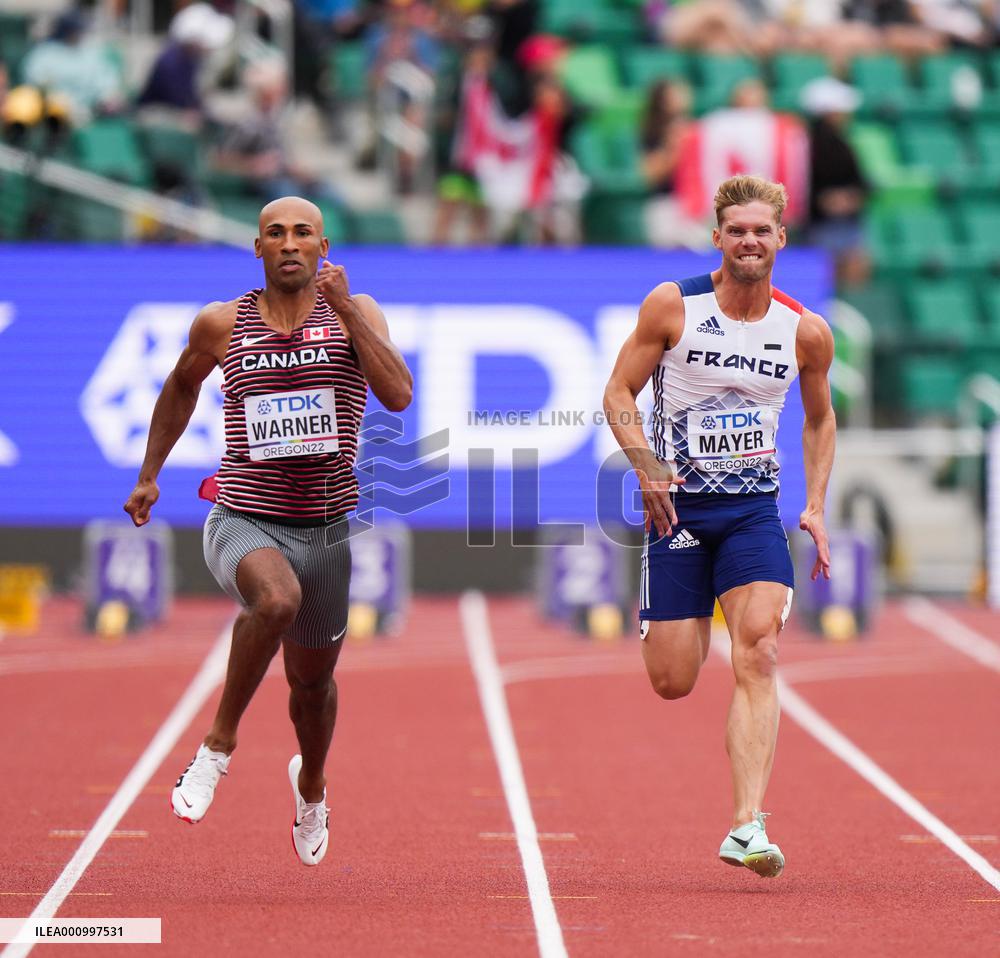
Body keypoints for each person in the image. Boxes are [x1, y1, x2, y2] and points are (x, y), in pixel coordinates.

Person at [123, 196, 413, 866]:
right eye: (275, 234)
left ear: (323, 247)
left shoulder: (356, 312)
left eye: (302, 233)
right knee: (274, 600)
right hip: (243, 516)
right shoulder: (222, 323)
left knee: (312, 688)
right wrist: (149, 473)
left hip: (326, 529)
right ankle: (216, 747)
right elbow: (178, 387)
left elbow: (398, 393)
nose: (288, 243)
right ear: (257, 249)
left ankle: (311, 786)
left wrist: (344, 311)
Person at [603, 174, 835, 879]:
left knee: (759, 648)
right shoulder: (674, 306)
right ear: (717, 238)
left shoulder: (804, 331)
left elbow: (821, 420)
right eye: (737, 230)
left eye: (762, 231)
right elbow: (618, 392)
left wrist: (816, 504)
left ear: (781, 239)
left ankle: (746, 825)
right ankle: (668, 614)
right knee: (673, 680)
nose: (750, 241)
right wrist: (645, 466)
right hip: (678, 510)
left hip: (751, 513)